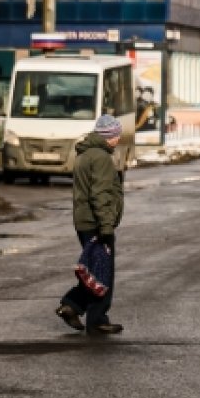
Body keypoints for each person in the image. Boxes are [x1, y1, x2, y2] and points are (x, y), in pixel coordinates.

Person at [56, 115, 126, 335]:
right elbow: (100, 195)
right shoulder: (101, 158)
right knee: (103, 273)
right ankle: (96, 319)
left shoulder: (84, 154)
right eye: (116, 134)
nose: (118, 138)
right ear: (108, 136)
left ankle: (72, 306)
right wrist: (106, 228)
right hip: (96, 223)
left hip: (84, 221)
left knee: (95, 270)